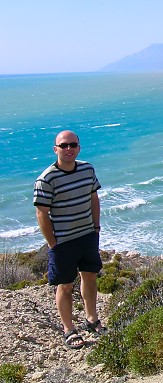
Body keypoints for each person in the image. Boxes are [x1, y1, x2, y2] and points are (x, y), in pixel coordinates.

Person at [34, 130, 106, 349]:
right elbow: (41, 213)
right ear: (55, 149)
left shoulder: (87, 169)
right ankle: (68, 329)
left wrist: (95, 228)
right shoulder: (46, 178)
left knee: (90, 276)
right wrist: (53, 243)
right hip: (63, 242)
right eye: (63, 145)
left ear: (79, 147)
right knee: (65, 285)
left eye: (72, 145)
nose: (68, 149)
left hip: (87, 235)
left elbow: (94, 197)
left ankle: (91, 319)